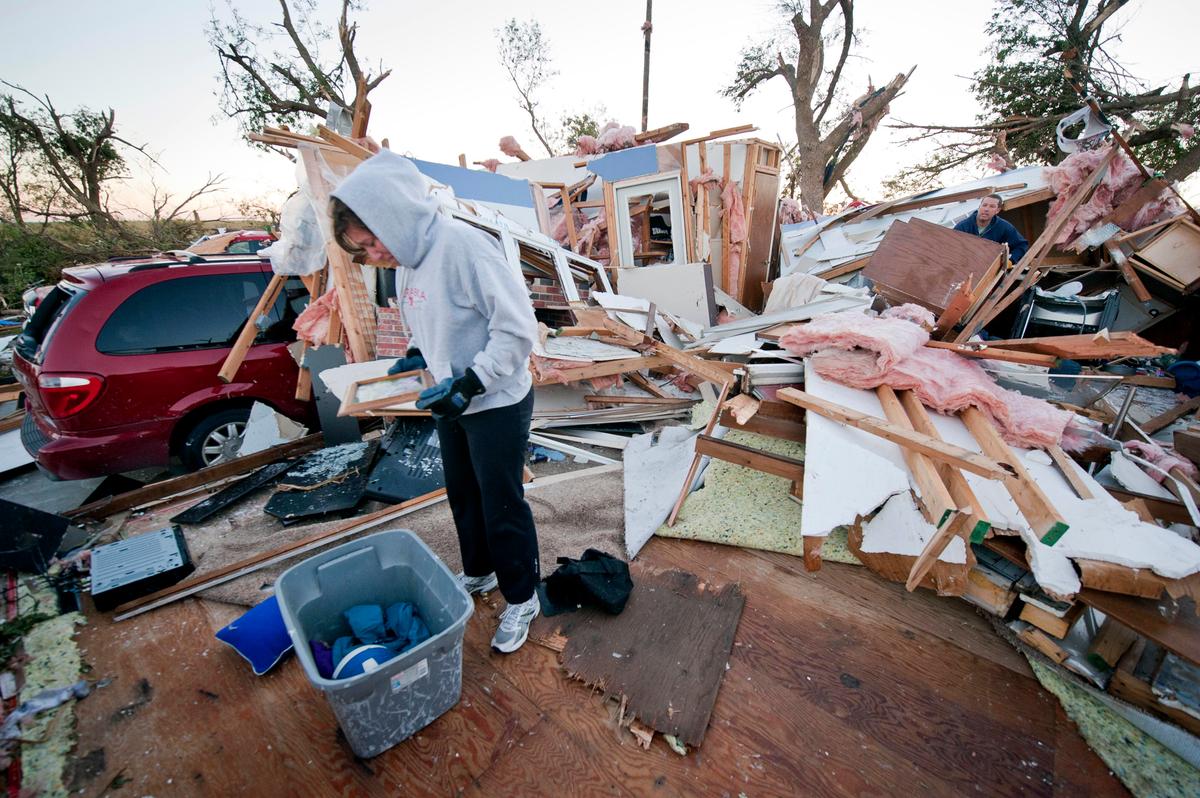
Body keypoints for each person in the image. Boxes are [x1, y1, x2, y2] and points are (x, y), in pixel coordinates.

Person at [329, 146, 542, 654]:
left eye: (371, 241)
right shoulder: (405, 261)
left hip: (495, 401)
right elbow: (436, 320)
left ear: (394, 216)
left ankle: (522, 596)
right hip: (454, 399)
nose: (372, 255)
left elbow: (517, 330)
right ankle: (480, 572)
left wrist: (471, 382)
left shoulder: (464, 247)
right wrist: (416, 353)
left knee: (501, 503)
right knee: (463, 494)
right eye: (362, 250)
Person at [953, 193, 1029, 263]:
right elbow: (951, 248)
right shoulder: (962, 227)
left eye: (992, 206)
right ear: (979, 207)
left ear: (997, 210)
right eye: (984, 205)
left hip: (992, 270)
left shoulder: (1004, 227)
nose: (986, 209)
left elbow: (1022, 245)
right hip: (965, 267)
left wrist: (1010, 260)